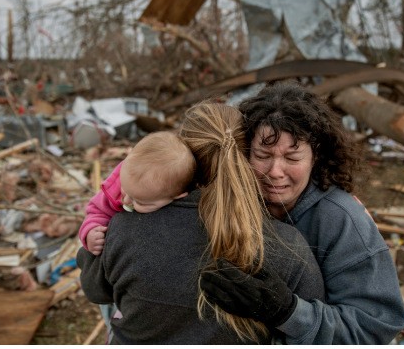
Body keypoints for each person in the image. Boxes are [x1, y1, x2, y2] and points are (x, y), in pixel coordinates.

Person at [78, 102, 324, 344]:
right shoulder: (288, 246)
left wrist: (91, 247)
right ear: (248, 156)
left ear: (185, 152)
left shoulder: (124, 228)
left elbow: (94, 289)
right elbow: (316, 331)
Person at [201, 82, 404, 344]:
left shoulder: (343, 221)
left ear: (315, 157)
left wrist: (288, 312)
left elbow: (374, 329)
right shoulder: (232, 198)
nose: (275, 171)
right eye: (263, 155)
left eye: (292, 158)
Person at [79, 131, 195, 255]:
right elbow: (96, 211)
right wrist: (90, 231)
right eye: (125, 190)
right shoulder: (121, 184)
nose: (126, 201)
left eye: (140, 202)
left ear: (178, 196)